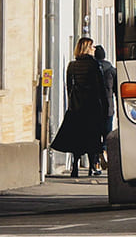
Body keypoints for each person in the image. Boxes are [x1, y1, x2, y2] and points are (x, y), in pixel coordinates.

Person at [50, 37, 110, 178]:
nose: (94, 49)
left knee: (77, 139)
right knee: (92, 138)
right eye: (92, 46)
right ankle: (91, 167)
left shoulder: (72, 65)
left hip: (76, 108)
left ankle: (75, 167)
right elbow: (100, 87)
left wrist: (72, 104)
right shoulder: (94, 65)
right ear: (87, 48)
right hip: (92, 108)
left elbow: (69, 87)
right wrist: (104, 107)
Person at [94, 44, 117, 172]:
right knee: (107, 133)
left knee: (95, 134)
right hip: (108, 107)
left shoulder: (92, 69)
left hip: (94, 107)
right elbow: (116, 91)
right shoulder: (112, 70)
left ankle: (96, 162)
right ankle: (105, 151)